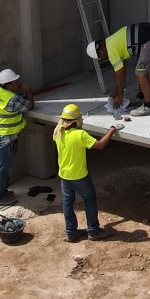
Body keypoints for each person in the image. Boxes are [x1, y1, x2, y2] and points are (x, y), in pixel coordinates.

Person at [53, 103, 121, 242]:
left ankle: (71, 233)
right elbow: (101, 145)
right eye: (80, 118)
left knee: (67, 204)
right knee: (89, 200)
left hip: (64, 175)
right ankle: (93, 231)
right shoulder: (80, 135)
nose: (82, 120)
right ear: (76, 120)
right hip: (79, 176)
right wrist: (112, 130)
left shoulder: (58, 132)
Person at [86, 22, 150, 117]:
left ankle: (149, 106)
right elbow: (119, 71)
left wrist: (120, 95)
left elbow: (121, 74)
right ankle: (141, 97)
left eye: (100, 56)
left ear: (100, 51)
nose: (103, 57)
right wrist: (117, 90)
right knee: (139, 67)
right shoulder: (110, 41)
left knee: (141, 72)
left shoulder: (111, 50)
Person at [0, 67, 34, 208]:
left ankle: (1, 191)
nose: (18, 83)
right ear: (8, 85)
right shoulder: (12, 99)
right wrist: (27, 90)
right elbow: (30, 105)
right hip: (5, 138)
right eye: (15, 81)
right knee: (3, 168)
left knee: (3, 167)